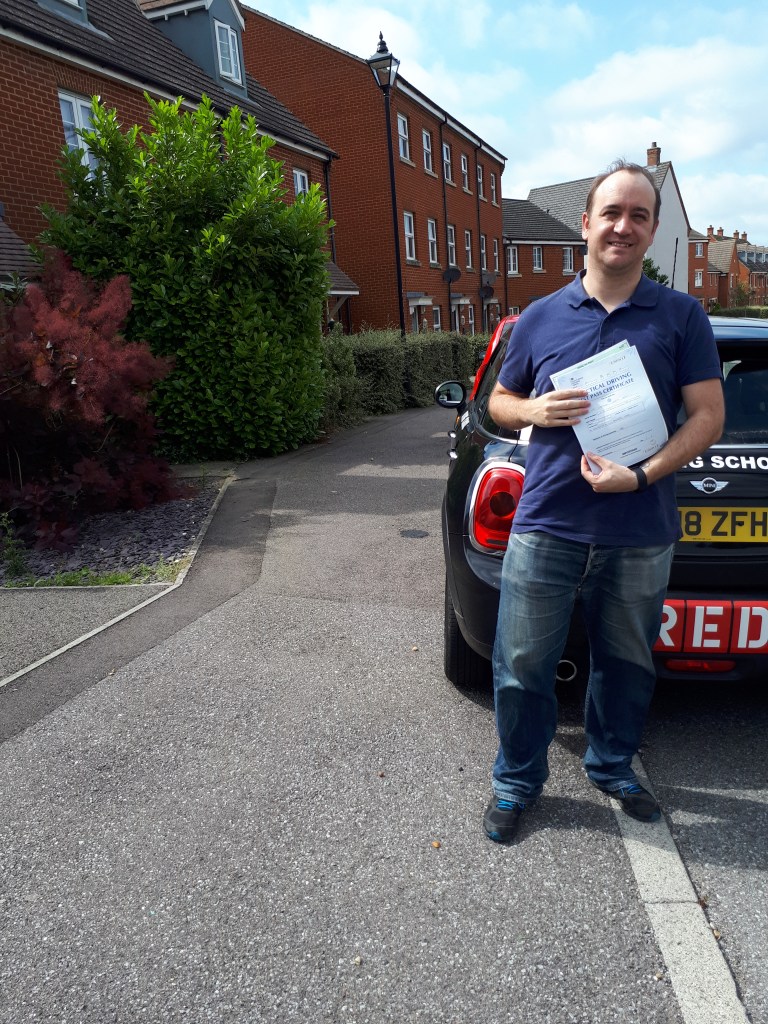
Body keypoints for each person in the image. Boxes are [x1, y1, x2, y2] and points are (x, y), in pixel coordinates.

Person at [483, 159, 724, 844]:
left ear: (650, 232)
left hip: (640, 526)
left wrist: (642, 476)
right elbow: (500, 403)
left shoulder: (682, 316)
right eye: (611, 213)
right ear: (585, 224)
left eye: (638, 215)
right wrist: (536, 407)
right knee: (523, 663)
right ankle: (516, 781)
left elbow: (708, 417)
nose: (623, 226)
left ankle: (613, 767)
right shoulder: (538, 316)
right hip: (548, 522)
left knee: (626, 662)